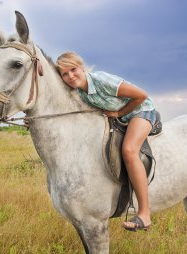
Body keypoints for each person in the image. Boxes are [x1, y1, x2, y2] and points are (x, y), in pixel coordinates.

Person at [56, 51, 156, 231]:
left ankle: (144, 213)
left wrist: (119, 113)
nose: (70, 76)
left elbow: (141, 95)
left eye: (73, 70)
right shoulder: (80, 92)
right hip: (121, 118)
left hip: (140, 111)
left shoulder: (102, 81)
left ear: (82, 68)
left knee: (129, 150)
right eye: (65, 74)